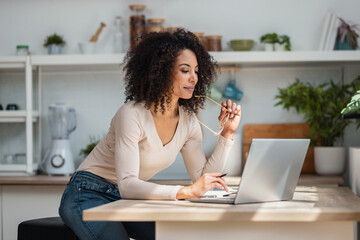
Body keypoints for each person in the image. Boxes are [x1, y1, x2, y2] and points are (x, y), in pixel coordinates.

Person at [59, 29, 241, 240]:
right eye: (185, 70)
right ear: (161, 71)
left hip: (126, 199)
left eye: (197, 71)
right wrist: (185, 192)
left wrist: (227, 133)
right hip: (87, 193)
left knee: (174, 235)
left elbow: (203, 179)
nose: (194, 78)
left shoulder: (189, 122)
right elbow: (127, 184)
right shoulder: (131, 114)